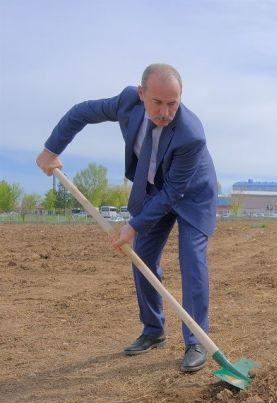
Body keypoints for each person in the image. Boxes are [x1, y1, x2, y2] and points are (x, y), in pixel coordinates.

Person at [36, 64, 218, 373]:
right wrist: (51, 150)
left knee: (192, 260)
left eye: (172, 103)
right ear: (141, 94)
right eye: (157, 102)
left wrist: (133, 225)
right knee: (142, 257)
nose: (165, 111)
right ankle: (153, 330)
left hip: (192, 195)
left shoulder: (191, 134)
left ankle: (196, 341)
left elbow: (173, 192)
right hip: (154, 189)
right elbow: (80, 113)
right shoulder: (126, 103)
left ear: (181, 97)